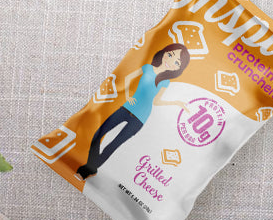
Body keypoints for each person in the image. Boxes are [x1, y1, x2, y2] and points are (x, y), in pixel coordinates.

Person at [76, 44, 190, 180]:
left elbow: (156, 101)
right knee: (98, 133)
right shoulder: (148, 68)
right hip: (126, 108)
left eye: (177, 62)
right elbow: (128, 79)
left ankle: (86, 170)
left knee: (114, 144)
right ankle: (92, 167)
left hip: (140, 118)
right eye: (171, 55)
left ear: (178, 69)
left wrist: (176, 103)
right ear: (164, 52)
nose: (171, 61)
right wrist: (128, 96)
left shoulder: (165, 82)